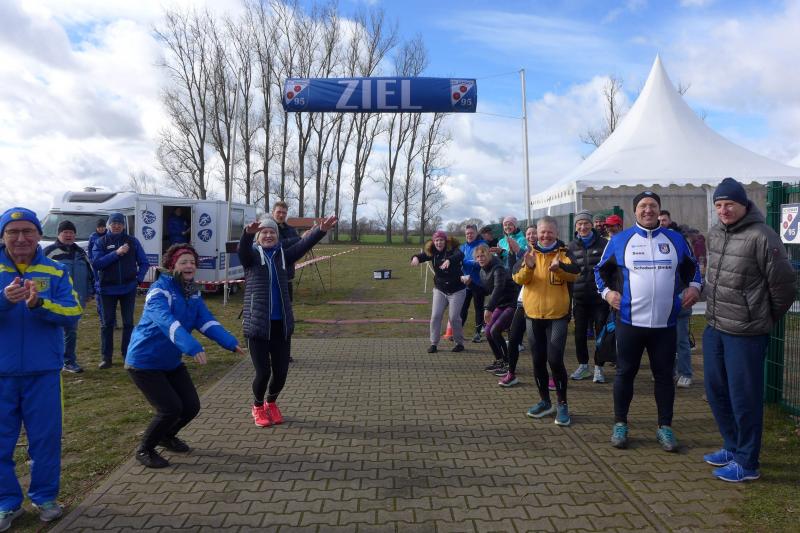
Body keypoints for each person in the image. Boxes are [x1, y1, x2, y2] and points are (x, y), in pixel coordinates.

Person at [702, 178, 794, 482]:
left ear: (743, 204)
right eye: (718, 205)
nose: (723, 210)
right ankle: (732, 446)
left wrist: (761, 316)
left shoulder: (762, 236)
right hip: (715, 326)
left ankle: (748, 462)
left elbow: (785, 287)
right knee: (717, 391)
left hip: (745, 333)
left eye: (729, 204)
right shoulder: (715, 233)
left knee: (744, 397)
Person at [595, 191, 701, 452]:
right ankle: (620, 423)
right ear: (635, 211)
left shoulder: (676, 239)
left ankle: (665, 426)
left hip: (665, 324)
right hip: (629, 321)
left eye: (653, 206)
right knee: (625, 373)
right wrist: (607, 293)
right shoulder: (620, 240)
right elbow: (599, 271)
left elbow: (693, 268)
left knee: (664, 376)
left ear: (659, 209)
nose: (648, 210)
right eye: (643, 206)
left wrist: (695, 287)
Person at [125, 244, 245, 468]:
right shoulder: (158, 291)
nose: (189, 265)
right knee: (170, 409)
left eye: (192, 262)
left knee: (191, 406)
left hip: (170, 362)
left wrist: (230, 342)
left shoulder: (192, 292)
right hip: (144, 362)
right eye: (183, 262)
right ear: (172, 266)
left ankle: (166, 436)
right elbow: (167, 322)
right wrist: (192, 347)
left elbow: (206, 321)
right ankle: (144, 449)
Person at [0, 207, 82, 529]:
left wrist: (39, 304)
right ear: (3, 236)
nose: (21, 238)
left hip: (43, 372)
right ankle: (7, 503)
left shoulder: (56, 271)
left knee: (45, 440)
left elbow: (73, 313)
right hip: (1, 373)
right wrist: (3, 300)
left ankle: (45, 497)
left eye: (28, 231)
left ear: (38, 235)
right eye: (13, 231)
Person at [239, 215, 337, 427]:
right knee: (263, 372)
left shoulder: (284, 255)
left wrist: (320, 231)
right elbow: (242, 251)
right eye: (264, 232)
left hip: (281, 326)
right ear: (258, 237)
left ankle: (271, 403)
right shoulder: (252, 257)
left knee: (281, 372)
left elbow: (304, 245)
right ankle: (257, 406)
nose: (268, 235)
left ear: (277, 236)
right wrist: (246, 235)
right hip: (257, 326)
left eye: (272, 232)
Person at [514, 216, 579, 426]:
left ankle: (562, 404)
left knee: (555, 360)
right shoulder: (529, 254)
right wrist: (529, 267)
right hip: (533, 316)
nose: (545, 235)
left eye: (550, 232)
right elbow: (517, 278)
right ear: (537, 233)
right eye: (542, 232)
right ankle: (545, 402)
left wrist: (559, 268)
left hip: (557, 317)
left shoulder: (564, 253)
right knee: (537, 361)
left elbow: (575, 274)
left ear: (556, 233)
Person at [92, 212, 149, 369]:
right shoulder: (100, 242)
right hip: (106, 289)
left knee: (128, 323)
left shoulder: (132, 241)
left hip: (128, 288)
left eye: (120, 223)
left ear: (124, 226)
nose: (116, 226)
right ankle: (106, 358)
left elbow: (144, 262)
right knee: (107, 324)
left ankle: (127, 355)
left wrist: (138, 279)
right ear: (109, 225)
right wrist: (116, 253)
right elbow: (97, 263)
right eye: (114, 223)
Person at [43, 220, 95, 373]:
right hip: (54, 300)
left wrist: (90, 291)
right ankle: (50, 360)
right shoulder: (49, 252)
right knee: (52, 331)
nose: (68, 235)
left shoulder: (80, 252)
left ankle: (69, 361)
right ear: (59, 234)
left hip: (74, 300)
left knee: (71, 331)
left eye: (71, 233)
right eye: (65, 232)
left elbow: (89, 273)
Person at [567, 210, 610, 384]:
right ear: (576, 226)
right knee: (579, 335)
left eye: (586, 223)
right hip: (579, 298)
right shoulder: (570, 246)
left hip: (600, 299)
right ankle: (583, 366)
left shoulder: (604, 244)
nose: (583, 227)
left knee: (601, 334)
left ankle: (599, 367)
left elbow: (611, 268)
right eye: (579, 224)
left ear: (592, 225)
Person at [411, 230, 466, 353]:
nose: (439, 243)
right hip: (440, 290)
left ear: (445, 241)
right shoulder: (433, 252)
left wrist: (449, 260)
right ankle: (434, 344)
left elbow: (460, 255)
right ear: (433, 242)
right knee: (435, 316)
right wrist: (415, 258)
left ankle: (459, 343)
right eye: (436, 240)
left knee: (454, 317)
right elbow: (422, 256)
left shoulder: (453, 250)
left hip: (457, 290)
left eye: (441, 240)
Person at [495, 225, 537, 387]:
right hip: (522, 302)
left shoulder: (544, 252)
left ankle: (548, 376)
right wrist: (513, 253)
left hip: (540, 304)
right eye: (529, 234)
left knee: (539, 343)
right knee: (513, 339)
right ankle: (511, 373)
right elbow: (514, 273)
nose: (531, 236)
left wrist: (519, 252)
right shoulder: (523, 253)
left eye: (535, 233)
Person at [473, 244, 519, 379]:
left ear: (489, 255)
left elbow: (498, 288)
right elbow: (487, 290)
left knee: (495, 331)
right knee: (488, 332)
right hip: (500, 304)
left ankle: (508, 364)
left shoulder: (498, 268)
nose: (480, 259)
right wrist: (470, 284)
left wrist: (488, 309)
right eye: (478, 257)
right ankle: (499, 360)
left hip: (512, 303)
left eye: (483, 255)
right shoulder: (482, 271)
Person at [459, 224, 486, 343]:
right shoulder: (463, 247)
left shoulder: (482, 245)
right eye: (467, 234)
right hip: (465, 283)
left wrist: (465, 262)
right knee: (463, 308)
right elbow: (458, 261)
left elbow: (481, 261)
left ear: (476, 233)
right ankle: (458, 333)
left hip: (478, 283)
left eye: (471, 233)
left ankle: (477, 334)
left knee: (478, 308)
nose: (469, 235)